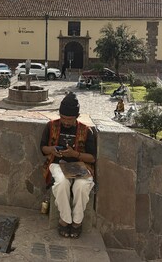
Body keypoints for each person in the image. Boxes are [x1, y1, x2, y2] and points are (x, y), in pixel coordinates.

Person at [40, 92, 96, 239]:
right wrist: (52, 150)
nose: (65, 122)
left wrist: (74, 154)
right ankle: (65, 220)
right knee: (62, 183)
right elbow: (43, 148)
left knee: (82, 186)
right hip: (57, 164)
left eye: (69, 119)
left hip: (81, 166)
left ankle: (77, 222)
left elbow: (92, 157)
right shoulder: (51, 126)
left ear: (77, 117)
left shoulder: (86, 130)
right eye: (63, 117)